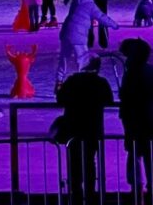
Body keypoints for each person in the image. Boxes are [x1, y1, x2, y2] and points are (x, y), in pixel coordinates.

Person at [54, 56, 115, 205]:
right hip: (92, 128)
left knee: (73, 162)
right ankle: (90, 193)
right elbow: (109, 100)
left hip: (73, 127)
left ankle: (75, 193)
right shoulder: (100, 83)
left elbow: (60, 99)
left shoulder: (72, 81)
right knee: (90, 161)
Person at [118, 38, 153, 201]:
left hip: (133, 121)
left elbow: (125, 96)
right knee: (151, 155)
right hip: (150, 118)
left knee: (134, 154)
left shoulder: (130, 73)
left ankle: (136, 186)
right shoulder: (152, 71)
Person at [57, 0, 119, 83]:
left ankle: (59, 81)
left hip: (66, 33)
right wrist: (114, 25)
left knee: (64, 58)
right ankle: (82, 81)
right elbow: (101, 17)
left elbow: (73, 17)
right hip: (79, 36)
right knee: (82, 59)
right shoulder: (90, 5)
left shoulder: (76, 1)